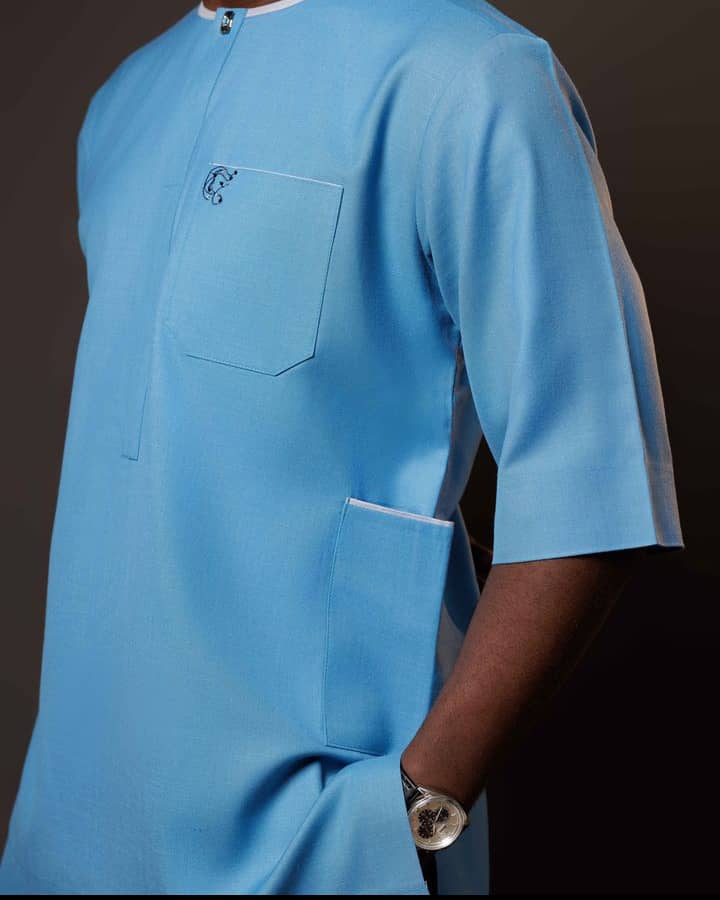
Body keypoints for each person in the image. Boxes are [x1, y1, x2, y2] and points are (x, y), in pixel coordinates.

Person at [0, 0, 685, 894]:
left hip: (316, 856)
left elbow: (593, 483)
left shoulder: (473, 75)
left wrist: (407, 815)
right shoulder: (122, 103)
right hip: (58, 847)